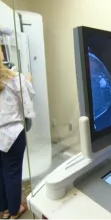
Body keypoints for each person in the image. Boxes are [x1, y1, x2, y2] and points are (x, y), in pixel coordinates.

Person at [0, 46, 35, 220]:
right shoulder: (14, 78)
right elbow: (29, 97)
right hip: (13, 134)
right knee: (12, 173)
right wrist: (28, 80)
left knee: (1, 172)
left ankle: (4, 210)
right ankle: (14, 211)